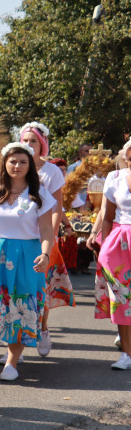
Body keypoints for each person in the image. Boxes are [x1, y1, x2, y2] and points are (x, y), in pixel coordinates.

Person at [0, 142, 53, 382]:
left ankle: (11, 363)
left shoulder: (39, 195)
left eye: (22, 161)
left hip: (28, 255)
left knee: (21, 308)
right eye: (12, 161)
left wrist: (46, 254)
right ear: (4, 164)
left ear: (30, 166)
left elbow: (48, 230)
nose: (16, 165)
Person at [19, 122, 74, 357]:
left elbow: (55, 209)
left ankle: (42, 329)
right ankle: (16, 341)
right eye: (25, 140)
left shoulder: (50, 172)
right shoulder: (15, 166)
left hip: (41, 238)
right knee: (16, 289)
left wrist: (48, 243)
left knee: (42, 288)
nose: (29, 145)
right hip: (18, 237)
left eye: (33, 141)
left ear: (42, 145)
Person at [90, 139, 131, 370]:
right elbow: (107, 215)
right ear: (125, 156)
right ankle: (127, 354)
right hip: (120, 243)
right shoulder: (114, 178)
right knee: (121, 298)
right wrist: (103, 246)